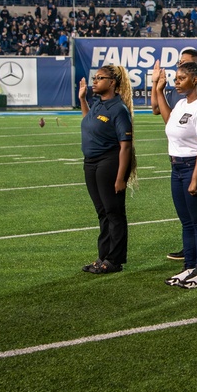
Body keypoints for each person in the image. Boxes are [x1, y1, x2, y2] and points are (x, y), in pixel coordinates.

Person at [152, 60, 197, 289]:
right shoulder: (182, 104)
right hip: (177, 167)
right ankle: (189, 267)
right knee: (187, 223)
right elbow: (170, 122)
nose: (176, 82)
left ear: (195, 79)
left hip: (196, 167)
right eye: (176, 78)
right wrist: (159, 91)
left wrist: (195, 178)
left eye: (181, 78)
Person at [78, 65, 137, 274]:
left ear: (112, 82)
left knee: (114, 212)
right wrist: (83, 100)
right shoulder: (97, 104)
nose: (95, 81)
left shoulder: (118, 109)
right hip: (91, 162)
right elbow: (88, 122)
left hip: (108, 162)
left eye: (100, 78)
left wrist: (121, 177)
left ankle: (115, 260)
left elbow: (125, 146)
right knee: (102, 212)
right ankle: (102, 256)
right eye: (95, 77)